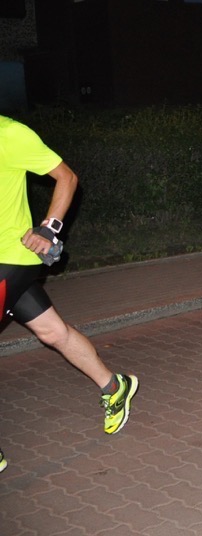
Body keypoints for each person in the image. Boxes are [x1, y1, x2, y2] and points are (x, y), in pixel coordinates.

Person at [0, 115, 139, 446]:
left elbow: (67, 176)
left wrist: (49, 229)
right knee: (52, 332)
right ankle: (115, 387)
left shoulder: (9, 134)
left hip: (11, 257)